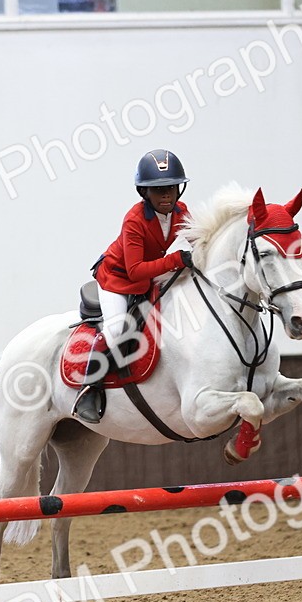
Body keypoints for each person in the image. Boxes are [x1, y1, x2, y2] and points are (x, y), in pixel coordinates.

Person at [73, 149, 194, 423]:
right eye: (158, 190)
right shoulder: (134, 219)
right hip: (117, 279)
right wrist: (176, 259)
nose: (166, 196)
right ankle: (88, 389)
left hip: (147, 276)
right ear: (144, 192)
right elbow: (136, 270)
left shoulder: (182, 211)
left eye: (172, 188)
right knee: (117, 329)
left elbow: (198, 239)